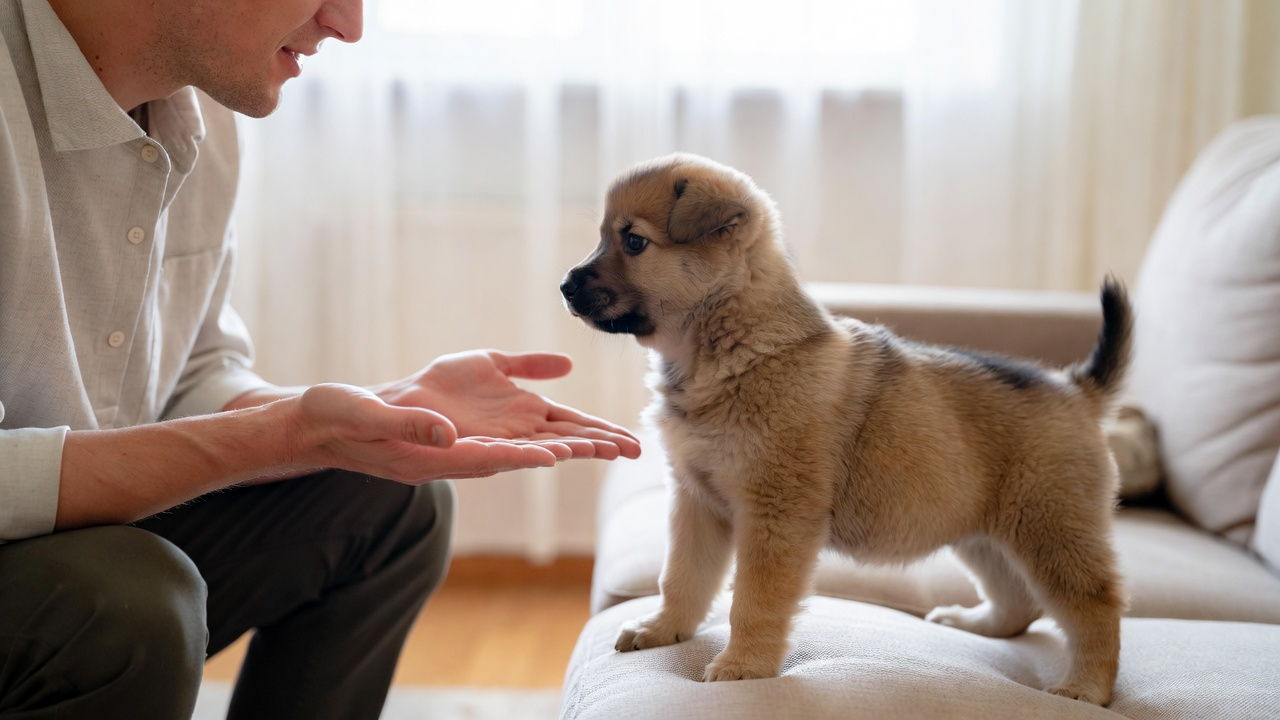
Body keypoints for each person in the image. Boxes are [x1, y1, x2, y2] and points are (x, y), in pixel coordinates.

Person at [0, 0, 642, 718]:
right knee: (124, 602)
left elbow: (194, 373)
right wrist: (282, 434)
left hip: (73, 541)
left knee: (390, 497)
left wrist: (371, 413)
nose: (348, 23)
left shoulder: (197, 119)